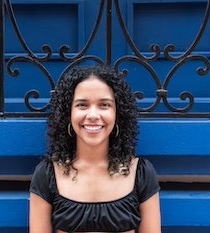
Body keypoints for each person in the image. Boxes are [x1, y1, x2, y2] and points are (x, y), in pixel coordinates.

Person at [29, 65, 161, 233]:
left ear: (117, 112)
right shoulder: (47, 174)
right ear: (68, 113)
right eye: (82, 105)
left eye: (104, 105)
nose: (92, 115)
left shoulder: (141, 172)